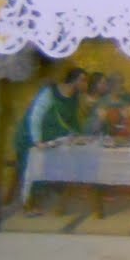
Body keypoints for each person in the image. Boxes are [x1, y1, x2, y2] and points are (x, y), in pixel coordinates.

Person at [14, 67, 85, 203]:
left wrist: (78, 135)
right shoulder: (50, 93)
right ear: (75, 80)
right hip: (32, 136)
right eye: (83, 80)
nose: (85, 84)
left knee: (69, 154)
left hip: (54, 137)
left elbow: (73, 119)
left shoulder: (74, 96)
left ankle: (60, 191)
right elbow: (36, 117)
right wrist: (37, 141)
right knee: (35, 162)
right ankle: (29, 202)